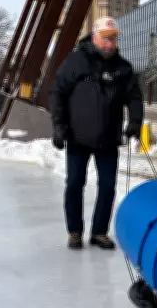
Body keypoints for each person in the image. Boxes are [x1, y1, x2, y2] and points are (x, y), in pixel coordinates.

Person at [49, 16, 144, 250]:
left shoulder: (123, 68)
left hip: (109, 139)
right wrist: (59, 127)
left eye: (113, 39)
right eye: (105, 38)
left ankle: (99, 232)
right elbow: (57, 94)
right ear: (94, 37)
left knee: (108, 187)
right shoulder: (75, 61)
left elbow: (134, 98)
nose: (109, 43)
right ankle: (74, 231)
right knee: (74, 184)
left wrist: (135, 122)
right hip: (78, 138)